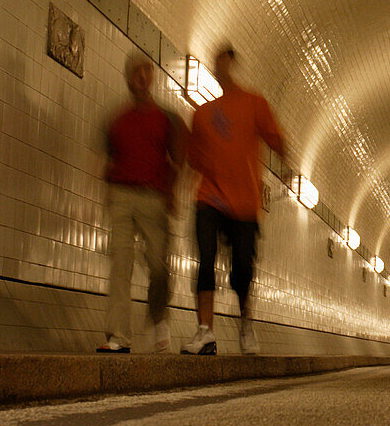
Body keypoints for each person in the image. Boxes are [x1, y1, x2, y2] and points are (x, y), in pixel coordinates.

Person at [182, 45, 288, 355]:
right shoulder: (201, 113)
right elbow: (194, 157)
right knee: (205, 259)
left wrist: (285, 166)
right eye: (215, 61)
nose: (219, 65)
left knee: (242, 269)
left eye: (224, 60)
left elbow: (277, 140)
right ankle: (205, 330)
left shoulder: (254, 103)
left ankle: (245, 323)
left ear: (232, 63)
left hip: (244, 203)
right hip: (209, 198)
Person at [97, 52, 186, 353]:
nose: (142, 76)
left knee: (159, 267)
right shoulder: (116, 119)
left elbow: (178, 160)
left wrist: (172, 193)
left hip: (154, 198)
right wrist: (105, 191)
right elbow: (107, 160)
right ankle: (118, 336)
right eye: (136, 71)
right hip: (122, 197)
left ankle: (159, 317)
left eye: (147, 71)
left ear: (153, 77)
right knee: (120, 265)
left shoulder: (167, 118)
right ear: (128, 78)